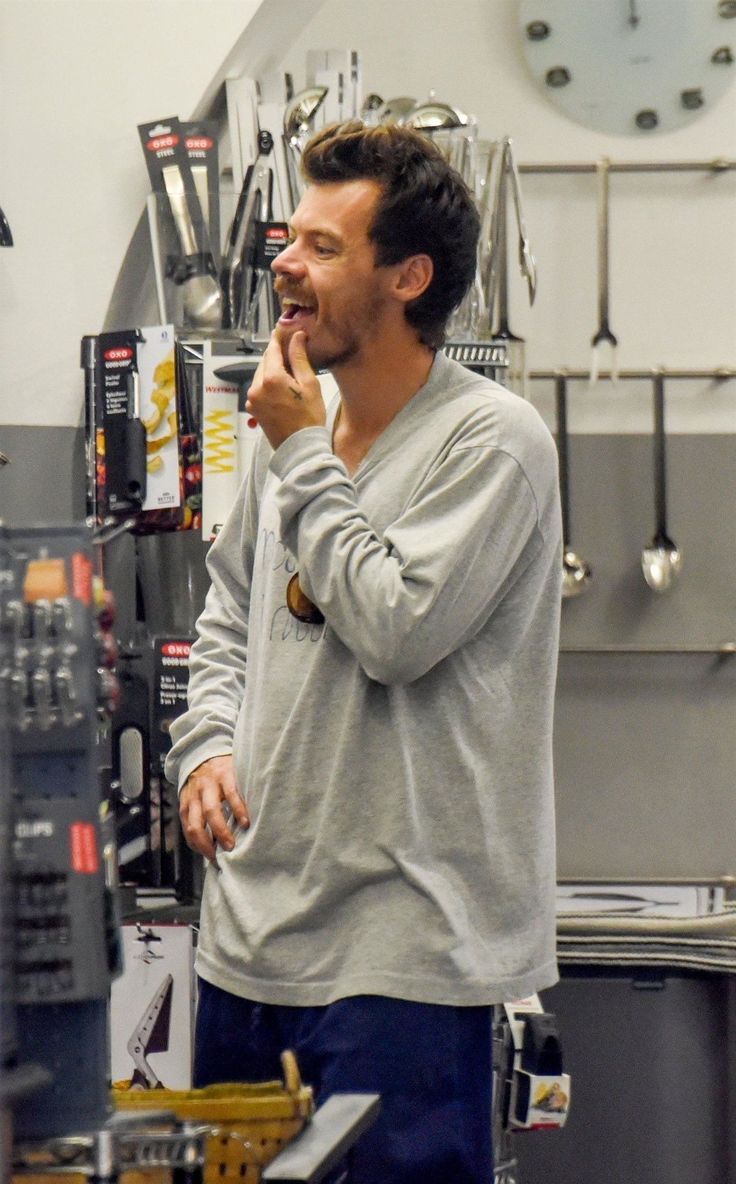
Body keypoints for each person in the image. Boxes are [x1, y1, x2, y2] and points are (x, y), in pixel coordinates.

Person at [166, 120, 562, 1184]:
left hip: (408, 962)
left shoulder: (492, 444)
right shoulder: (293, 425)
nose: (284, 263)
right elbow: (228, 612)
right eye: (289, 238)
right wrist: (204, 747)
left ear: (408, 276)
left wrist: (299, 450)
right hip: (249, 942)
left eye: (324, 246)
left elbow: (393, 630)